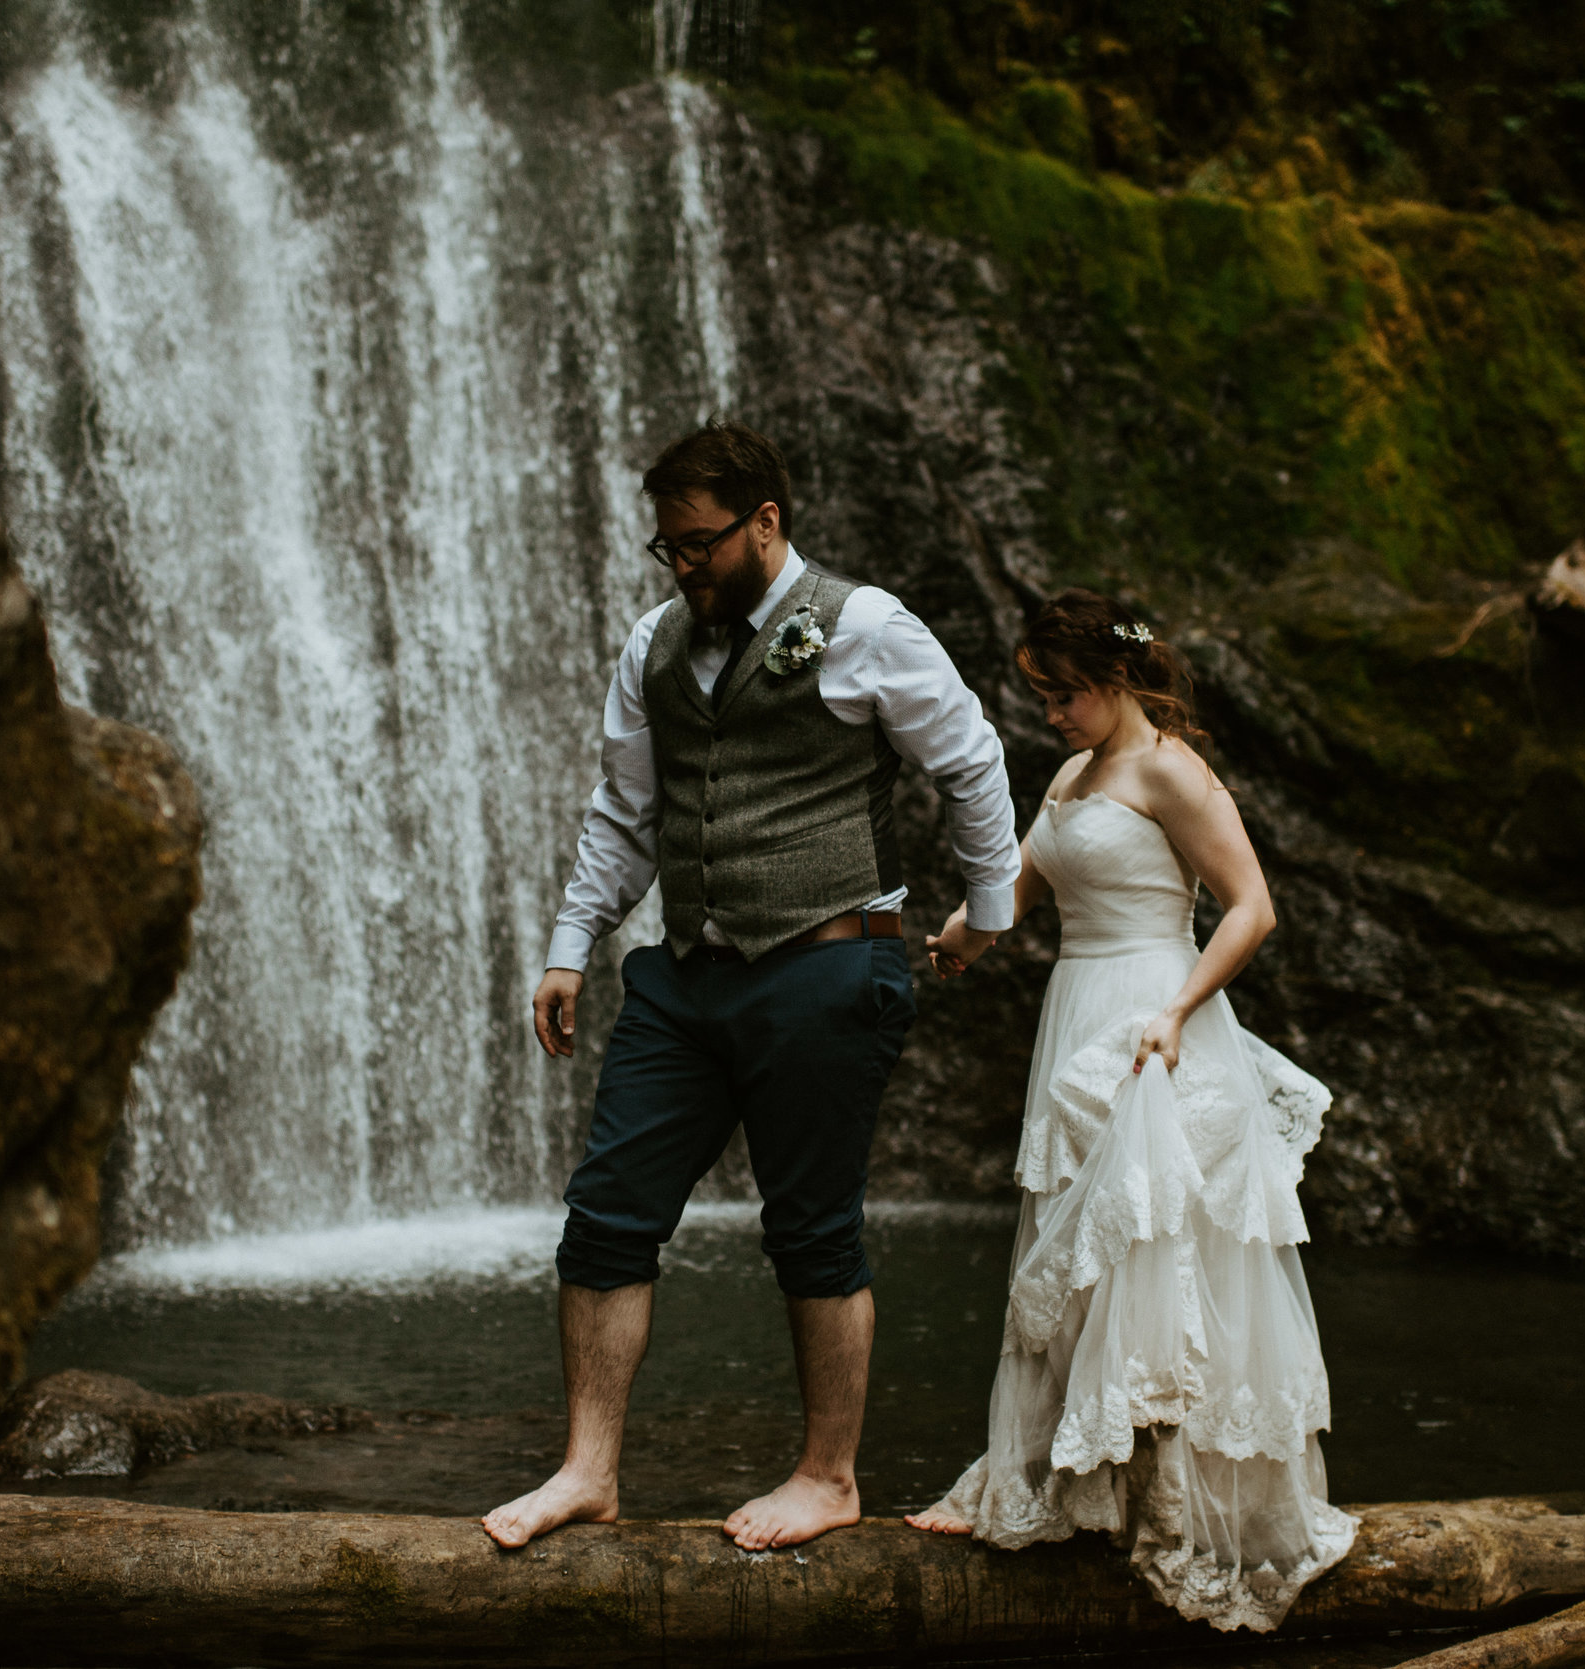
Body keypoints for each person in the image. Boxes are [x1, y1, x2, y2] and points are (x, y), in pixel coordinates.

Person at [482, 420, 1020, 1553]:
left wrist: (993, 912)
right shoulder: (654, 643)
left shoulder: (864, 626)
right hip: (683, 975)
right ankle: (588, 1470)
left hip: (828, 962)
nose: (682, 564)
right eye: (667, 547)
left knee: (810, 1228)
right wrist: (570, 945)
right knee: (606, 1216)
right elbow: (626, 814)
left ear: (765, 521)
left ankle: (827, 1475)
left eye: (700, 543)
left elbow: (970, 760)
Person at [904, 588, 1358, 1630]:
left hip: (1155, 1016)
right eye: (1042, 697)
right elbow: (1017, 885)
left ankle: (1171, 1512)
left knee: (1157, 1253)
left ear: (1113, 684)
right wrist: (957, 938)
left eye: (1061, 695)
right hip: (1076, 1012)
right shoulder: (1071, 774)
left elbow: (1252, 906)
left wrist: (1178, 1009)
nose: (1049, 714)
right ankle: (1068, 1488)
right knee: (1075, 1248)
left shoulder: (1172, 770)